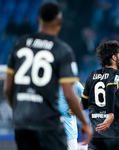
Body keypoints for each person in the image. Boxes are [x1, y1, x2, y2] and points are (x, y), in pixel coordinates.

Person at [3, 2, 92, 150]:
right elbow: (69, 94)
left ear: (38, 20)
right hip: (49, 126)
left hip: (24, 124)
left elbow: (7, 88)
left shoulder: (20, 44)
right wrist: (84, 122)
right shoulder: (62, 50)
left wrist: (18, 110)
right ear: (59, 21)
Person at [81, 40, 119, 149]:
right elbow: (110, 89)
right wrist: (110, 114)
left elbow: (83, 104)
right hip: (116, 134)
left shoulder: (92, 76)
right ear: (114, 57)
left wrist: (71, 108)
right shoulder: (118, 74)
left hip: (96, 135)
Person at [58, 81, 84, 150]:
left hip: (68, 133)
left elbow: (88, 96)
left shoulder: (73, 82)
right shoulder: (47, 80)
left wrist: (77, 106)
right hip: (49, 132)